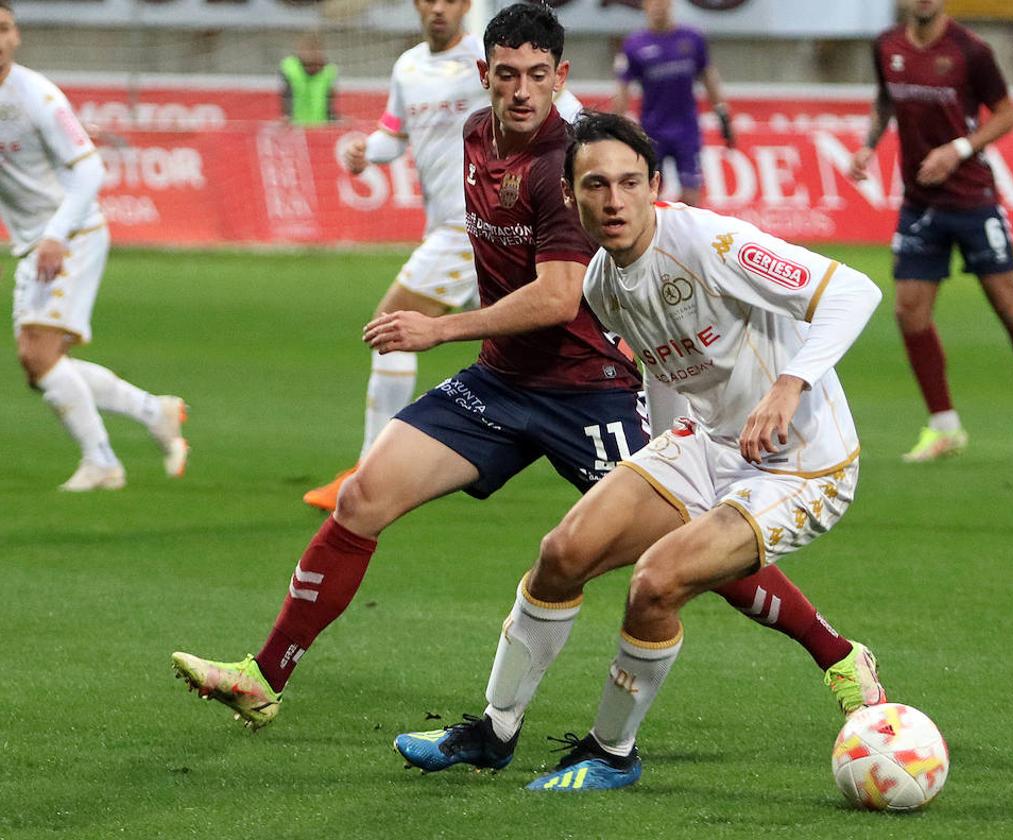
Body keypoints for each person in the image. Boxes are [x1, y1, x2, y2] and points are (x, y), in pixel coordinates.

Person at [170, 3, 855, 731]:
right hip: (500, 383)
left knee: (682, 557)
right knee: (363, 497)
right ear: (483, 76)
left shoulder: (570, 169)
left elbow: (561, 298)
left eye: (538, 76)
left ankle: (837, 654)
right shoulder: (474, 136)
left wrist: (439, 328)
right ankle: (264, 676)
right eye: (507, 75)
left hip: (589, 391)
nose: (522, 91)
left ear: (560, 78)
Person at [394, 112, 887, 791]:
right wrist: (658, 461)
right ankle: (494, 732)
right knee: (563, 552)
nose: (614, 200)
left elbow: (855, 292)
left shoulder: (712, 243)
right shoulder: (600, 282)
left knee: (655, 584)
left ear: (655, 185)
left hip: (804, 464)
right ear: (570, 196)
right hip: (709, 443)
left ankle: (612, 753)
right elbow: (664, 369)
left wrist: (788, 385)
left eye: (630, 183)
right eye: (596, 185)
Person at [304, 0, 585, 512]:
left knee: (390, 324)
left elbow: (561, 108)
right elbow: (394, 135)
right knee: (546, 329)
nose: (438, 8)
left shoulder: (490, 68)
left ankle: (369, 470)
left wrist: (596, 154)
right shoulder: (409, 67)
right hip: (451, 225)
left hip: (476, 225)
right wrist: (365, 152)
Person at [849, 0, 1013, 463]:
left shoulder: (972, 51)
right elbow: (886, 99)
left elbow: (1007, 114)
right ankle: (944, 426)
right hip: (919, 203)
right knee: (909, 313)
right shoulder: (887, 45)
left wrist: (958, 149)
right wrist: (868, 146)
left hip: (973, 201)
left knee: (1008, 307)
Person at [0, 1, 187, 491]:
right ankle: (154, 411)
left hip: (69, 235)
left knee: (38, 357)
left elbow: (89, 170)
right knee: (40, 364)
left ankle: (103, 462)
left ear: (17, 36)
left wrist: (57, 236)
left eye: (4, 29)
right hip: (35, 241)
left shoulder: (37, 95)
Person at [612, 0, 735, 207]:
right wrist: (614, 129)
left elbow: (708, 77)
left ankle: (690, 238)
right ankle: (655, 239)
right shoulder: (634, 45)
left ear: (671, 4)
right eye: (652, 2)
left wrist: (723, 115)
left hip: (687, 131)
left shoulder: (692, 38)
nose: (658, 6)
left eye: (662, 1)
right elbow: (622, 89)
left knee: (691, 196)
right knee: (651, 194)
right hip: (652, 131)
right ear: (645, 6)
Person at [280, 32, 338, 126]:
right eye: (308, 49)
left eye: (315, 49)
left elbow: (329, 103)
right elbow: (286, 96)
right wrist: (286, 117)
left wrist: (333, 119)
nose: (312, 53)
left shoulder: (329, 70)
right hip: (295, 128)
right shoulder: (290, 67)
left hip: (320, 128)